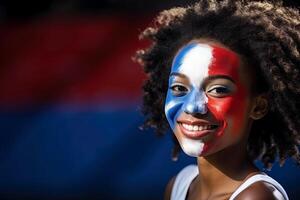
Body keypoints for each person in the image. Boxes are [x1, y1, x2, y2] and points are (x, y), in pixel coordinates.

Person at [135, 0, 299, 199]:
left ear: (258, 106)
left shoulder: (255, 197)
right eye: (179, 88)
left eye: (218, 90)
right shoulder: (179, 185)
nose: (193, 107)